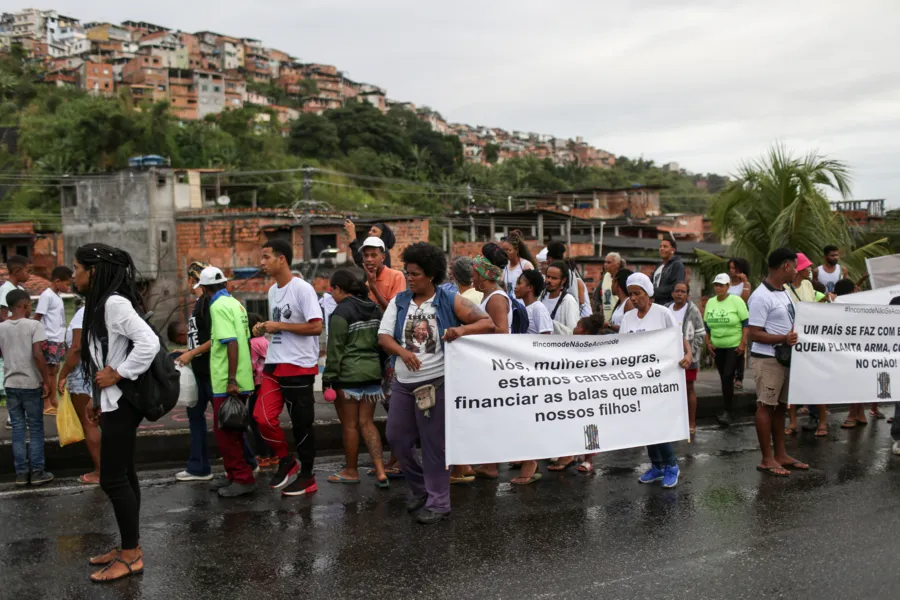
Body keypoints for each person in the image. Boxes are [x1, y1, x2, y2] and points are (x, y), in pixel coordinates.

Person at [378, 242, 494, 524]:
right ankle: (420, 490)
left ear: (430, 274)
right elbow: (384, 337)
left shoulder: (448, 299)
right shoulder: (400, 301)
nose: (410, 277)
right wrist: (403, 352)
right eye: (407, 272)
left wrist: (459, 330)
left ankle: (439, 503)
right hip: (404, 385)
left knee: (433, 446)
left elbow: (487, 323)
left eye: (415, 273)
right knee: (396, 439)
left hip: (436, 384)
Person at [74, 244, 159, 583]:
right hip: (112, 400)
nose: (74, 274)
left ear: (94, 270)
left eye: (78, 268)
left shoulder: (114, 303)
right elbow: (103, 355)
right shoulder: (101, 304)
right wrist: (98, 395)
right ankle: (129, 545)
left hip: (124, 401)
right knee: (125, 473)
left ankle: (131, 555)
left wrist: (119, 374)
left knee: (112, 478)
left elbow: (149, 343)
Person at [252, 238, 323, 497]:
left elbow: (316, 326)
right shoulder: (272, 290)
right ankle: (286, 460)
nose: (262, 262)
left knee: (301, 425)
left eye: (266, 257)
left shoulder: (302, 288)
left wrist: (279, 326)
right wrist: (265, 327)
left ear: (282, 259)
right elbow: (279, 324)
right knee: (261, 417)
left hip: (299, 366)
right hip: (275, 363)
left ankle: (308, 475)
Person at [619, 273, 692, 488]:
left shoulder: (662, 314)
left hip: (661, 381)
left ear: (648, 293)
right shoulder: (628, 318)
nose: (633, 298)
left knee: (658, 425)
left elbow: (678, 337)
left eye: (637, 293)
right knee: (645, 426)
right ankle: (657, 466)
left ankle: (671, 466)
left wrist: (688, 355)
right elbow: (622, 348)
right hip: (638, 382)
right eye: (631, 294)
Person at [322, 269, 389, 488]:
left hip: (348, 376)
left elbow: (336, 349)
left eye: (332, 290)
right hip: (372, 374)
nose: (331, 294)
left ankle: (351, 470)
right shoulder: (374, 308)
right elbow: (382, 342)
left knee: (350, 426)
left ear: (339, 289)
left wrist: (328, 379)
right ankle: (380, 470)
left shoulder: (341, 312)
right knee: (367, 423)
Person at [747, 247, 807, 477]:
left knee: (781, 407)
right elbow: (754, 333)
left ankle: (780, 454)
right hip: (768, 359)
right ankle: (766, 459)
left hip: (785, 358)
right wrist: (784, 338)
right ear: (785, 266)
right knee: (766, 406)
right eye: (795, 266)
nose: (796, 271)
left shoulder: (784, 291)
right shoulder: (760, 296)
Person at [201, 266, 258, 498]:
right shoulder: (236, 303)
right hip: (242, 376)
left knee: (224, 431)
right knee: (233, 430)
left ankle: (242, 477)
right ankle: (235, 474)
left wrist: (231, 379)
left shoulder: (217, 306)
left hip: (228, 379)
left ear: (204, 289)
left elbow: (231, 343)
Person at [0, 289, 53, 487]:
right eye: (29, 304)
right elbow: (38, 355)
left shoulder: (2, 327)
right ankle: (37, 471)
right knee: (36, 428)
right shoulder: (34, 325)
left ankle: (21, 473)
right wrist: (46, 380)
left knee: (18, 430)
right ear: (24, 305)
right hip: (31, 384)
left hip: (11, 384)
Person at [553, 313, 614, 474]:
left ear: (585, 332)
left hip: (590, 394)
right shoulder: (571, 346)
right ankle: (573, 453)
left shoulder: (594, 349)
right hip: (574, 394)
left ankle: (588, 460)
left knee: (590, 425)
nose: (574, 328)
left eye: (578, 326)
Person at [174, 261, 215, 483]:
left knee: (225, 420)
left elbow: (216, 337)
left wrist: (192, 354)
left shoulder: (207, 302)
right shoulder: (201, 302)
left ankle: (246, 462)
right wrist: (188, 350)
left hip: (210, 371)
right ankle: (198, 466)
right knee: (196, 417)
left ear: (192, 279)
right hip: (200, 370)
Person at [784, 253, 828, 436]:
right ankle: (792, 422)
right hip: (793, 341)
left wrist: (828, 299)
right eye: (806, 267)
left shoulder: (809, 285)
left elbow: (815, 305)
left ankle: (823, 423)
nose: (810, 269)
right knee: (792, 384)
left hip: (810, 342)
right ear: (798, 269)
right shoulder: (784, 289)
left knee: (815, 383)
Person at [58, 302, 102, 485]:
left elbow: (76, 347)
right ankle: (116, 468)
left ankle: (101, 471)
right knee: (106, 422)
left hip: (83, 375)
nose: (75, 275)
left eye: (76, 270)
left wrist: (63, 374)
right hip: (104, 371)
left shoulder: (84, 312)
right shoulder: (106, 309)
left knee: (89, 423)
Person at [704, 273, 749, 428]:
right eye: (716, 285)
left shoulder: (736, 301)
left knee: (729, 375)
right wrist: (708, 342)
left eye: (721, 285)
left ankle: (728, 412)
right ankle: (727, 408)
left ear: (728, 286)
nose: (718, 288)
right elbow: (707, 325)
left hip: (733, 345)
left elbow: (745, 323)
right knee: (724, 377)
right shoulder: (710, 302)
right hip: (718, 346)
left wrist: (743, 343)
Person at [667, 281, 705, 434]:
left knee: (689, 389)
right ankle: (674, 422)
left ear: (687, 294)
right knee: (670, 390)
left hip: (688, 359)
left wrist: (691, 353)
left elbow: (701, 333)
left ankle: (691, 423)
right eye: (677, 291)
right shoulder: (666, 310)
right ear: (672, 293)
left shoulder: (693, 310)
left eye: (683, 291)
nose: (679, 294)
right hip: (669, 359)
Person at [33, 265, 72, 415]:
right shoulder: (47, 295)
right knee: (48, 371)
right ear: (57, 281)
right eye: (67, 284)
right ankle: (47, 403)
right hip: (49, 338)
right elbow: (38, 316)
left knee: (54, 370)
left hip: (57, 339)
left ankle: (54, 401)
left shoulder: (56, 296)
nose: (68, 287)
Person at [246, 313, 275, 467]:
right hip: (268, 383)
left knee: (254, 420)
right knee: (265, 420)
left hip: (258, 385)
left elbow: (251, 366)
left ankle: (264, 455)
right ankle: (274, 454)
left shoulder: (252, 343)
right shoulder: (263, 341)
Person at [546, 241, 592, 317]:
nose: (549, 280)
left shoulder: (568, 275)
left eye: (554, 278)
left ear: (550, 259)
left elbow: (576, 300)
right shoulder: (567, 272)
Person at [361, 236, 406, 311]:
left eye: (373, 255)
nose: (369, 259)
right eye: (366, 255)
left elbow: (395, 312)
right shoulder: (367, 281)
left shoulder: (396, 276)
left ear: (383, 257)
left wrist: (374, 288)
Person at [540, 261, 579, 333]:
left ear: (563, 280)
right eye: (548, 277)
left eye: (554, 278)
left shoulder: (568, 301)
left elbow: (572, 331)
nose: (549, 281)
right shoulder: (542, 296)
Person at [515, 270, 553, 335]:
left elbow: (546, 335)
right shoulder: (524, 309)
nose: (515, 287)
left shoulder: (538, 307)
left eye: (519, 283)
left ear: (530, 287)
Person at [500, 229, 536, 295]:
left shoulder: (526, 265)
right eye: (503, 250)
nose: (505, 253)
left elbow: (533, 288)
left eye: (508, 250)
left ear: (516, 250)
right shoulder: (505, 266)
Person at [652, 238, 685, 305]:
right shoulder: (659, 266)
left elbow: (676, 287)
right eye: (660, 246)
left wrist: (654, 291)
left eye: (665, 246)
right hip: (656, 303)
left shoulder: (677, 265)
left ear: (672, 250)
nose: (661, 249)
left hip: (669, 304)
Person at [593, 252, 624, 321]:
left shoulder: (623, 277)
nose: (605, 265)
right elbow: (596, 297)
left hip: (620, 319)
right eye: (605, 262)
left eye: (609, 262)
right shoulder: (605, 278)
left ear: (617, 264)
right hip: (606, 320)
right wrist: (599, 305)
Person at [0, 254, 30, 322]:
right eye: (27, 271)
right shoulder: (6, 288)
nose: (29, 275)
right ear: (17, 271)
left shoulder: (21, 289)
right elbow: (2, 316)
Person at [608, 269, 634, 333]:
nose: (611, 286)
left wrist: (608, 325)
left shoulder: (629, 303)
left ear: (616, 283)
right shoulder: (620, 303)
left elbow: (631, 329)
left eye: (612, 282)